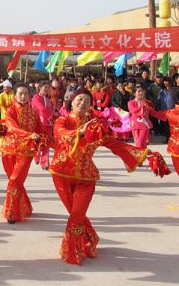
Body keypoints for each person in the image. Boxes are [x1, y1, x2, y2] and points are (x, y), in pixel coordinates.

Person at [50, 89, 167, 265]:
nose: (83, 103)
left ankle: (73, 251)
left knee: (77, 214)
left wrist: (144, 154)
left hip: (86, 177)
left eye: (87, 101)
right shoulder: (63, 120)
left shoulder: (95, 126)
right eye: (79, 99)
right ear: (71, 102)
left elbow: (114, 144)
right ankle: (88, 238)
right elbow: (61, 133)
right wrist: (80, 132)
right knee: (75, 214)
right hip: (62, 174)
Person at [0, 83, 49, 223]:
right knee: (15, 181)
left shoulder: (34, 112)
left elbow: (40, 129)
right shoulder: (10, 111)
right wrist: (28, 134)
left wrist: (44, 137)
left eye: (26, 93)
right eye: (20, 93)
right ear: (15, 96)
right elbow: (12, 127)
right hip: (8, 149)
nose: (23, 96)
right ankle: (24, 206)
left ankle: (11, 212)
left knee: (15, 180)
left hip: (26, 151)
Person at [31, 80, 54, 169]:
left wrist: (51, 113)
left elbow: (51, 110)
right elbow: (42, 109)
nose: (47, 89)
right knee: (38, 142)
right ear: (40, 87)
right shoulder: (36, 97)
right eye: (45, 87)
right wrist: (50, 112)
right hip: (38, 123)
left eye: (48, 87)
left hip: (47, 123)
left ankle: (44, 163)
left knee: (46, 143)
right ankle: (36, 155)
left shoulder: (48, 99)